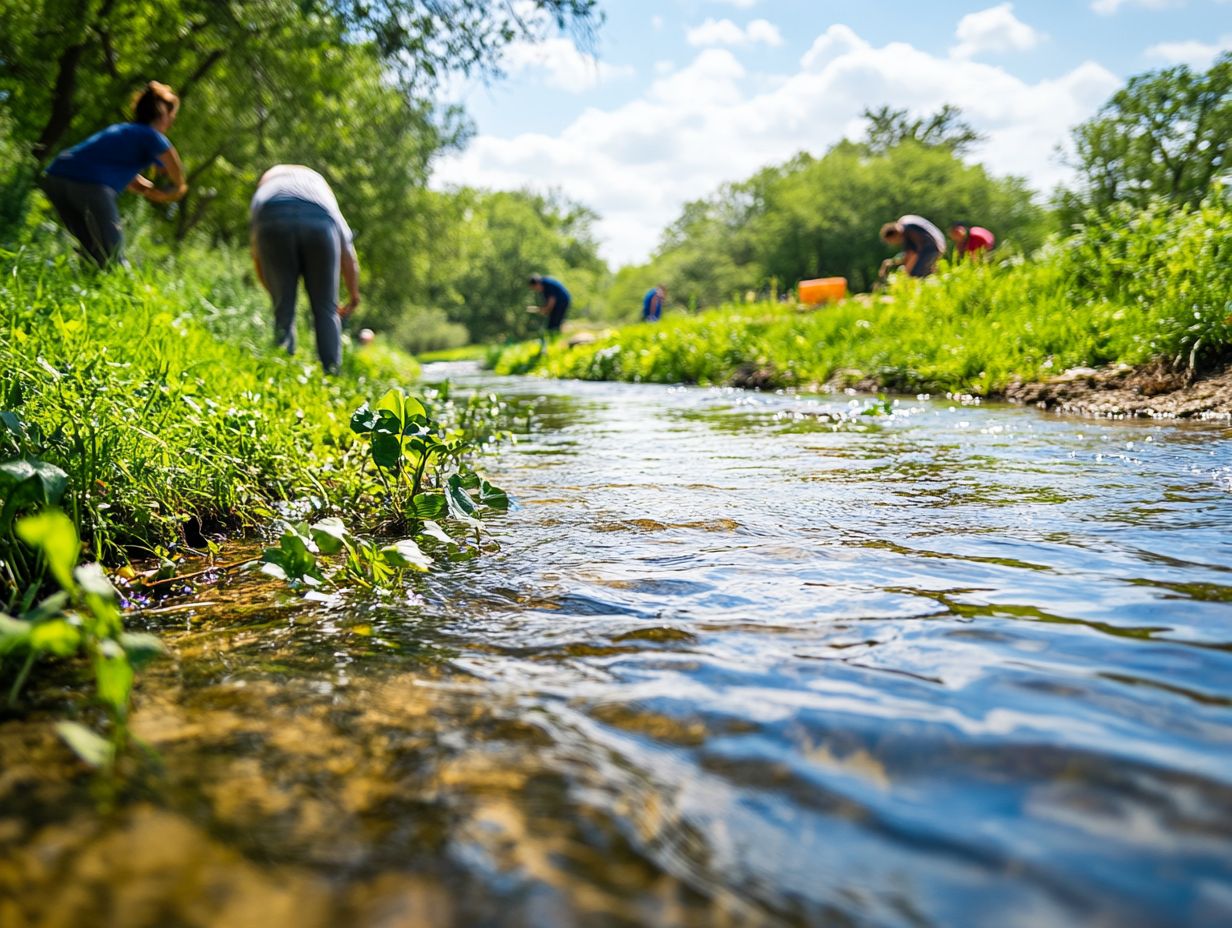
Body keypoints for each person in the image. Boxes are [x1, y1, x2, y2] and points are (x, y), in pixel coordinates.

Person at [40, 81, 187, 267]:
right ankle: (127, 292)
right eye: (172, 115)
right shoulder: (151, 135)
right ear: (163, 114)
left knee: (93, 250)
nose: (172, 121)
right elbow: (173, 163)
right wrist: (179, 187)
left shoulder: (123, 130)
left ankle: (83, 284)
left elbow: (132, 181)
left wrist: (152, 192)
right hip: (89, 184)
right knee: (113, 257)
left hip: (56, 178)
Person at [250, 165, 360, 374]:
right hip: (320, 221)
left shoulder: (265, 190)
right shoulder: (321, 191)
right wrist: (354, 294)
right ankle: (332, 374)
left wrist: (274, 290)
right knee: (327, 308)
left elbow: (256, 253)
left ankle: (282, 374)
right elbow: (348, 254)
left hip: (272, 218)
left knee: (284, 310)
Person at [879, 215, 947, 278]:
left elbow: (913, 254)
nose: (895, 243)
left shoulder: (907, 230)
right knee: (921, 270)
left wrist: (906, 274)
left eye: (892, 241)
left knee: (916, 273)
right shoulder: (904, 223)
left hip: (933, 247)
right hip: (936, 244)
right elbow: (909, 254)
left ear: (894, 235)